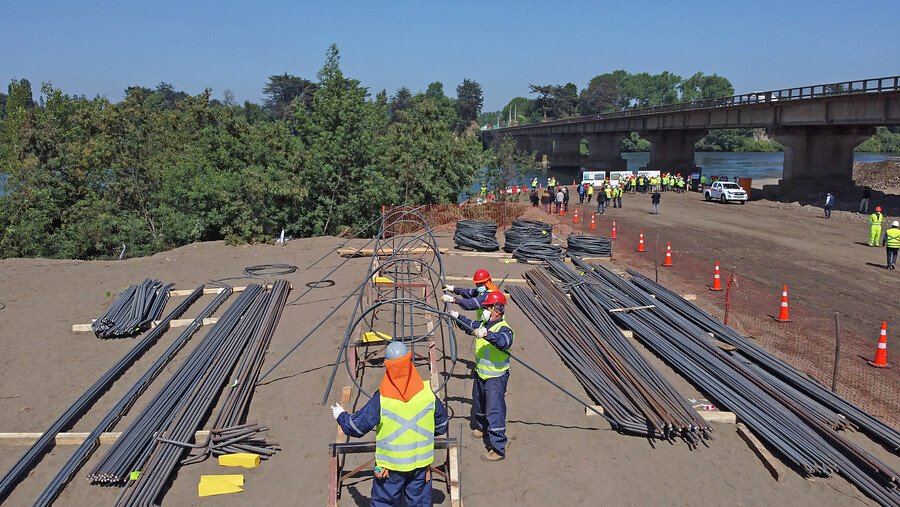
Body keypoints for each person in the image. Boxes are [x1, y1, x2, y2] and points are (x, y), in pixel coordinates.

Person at [332, 341, 449, 506]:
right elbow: (442, 425)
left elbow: (356, 427)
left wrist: (341, 416)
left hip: (390, 469)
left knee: (385, 502)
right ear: (410, 361)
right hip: (420, 467)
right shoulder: (427, 394)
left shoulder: (382, 398)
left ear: (388, 366)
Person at [449, 291, 514, 462]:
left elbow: (504, 341)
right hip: (481, 373)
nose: (484, 310)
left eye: (487, 307)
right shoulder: (485, 323)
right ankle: (482, 427)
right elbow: (471, 324)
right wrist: (457, 316)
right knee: (479, 403)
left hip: (495, 377)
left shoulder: (504, 328)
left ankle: (498, 448)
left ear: (497, 310)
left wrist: (487, 335)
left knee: (495, 410)